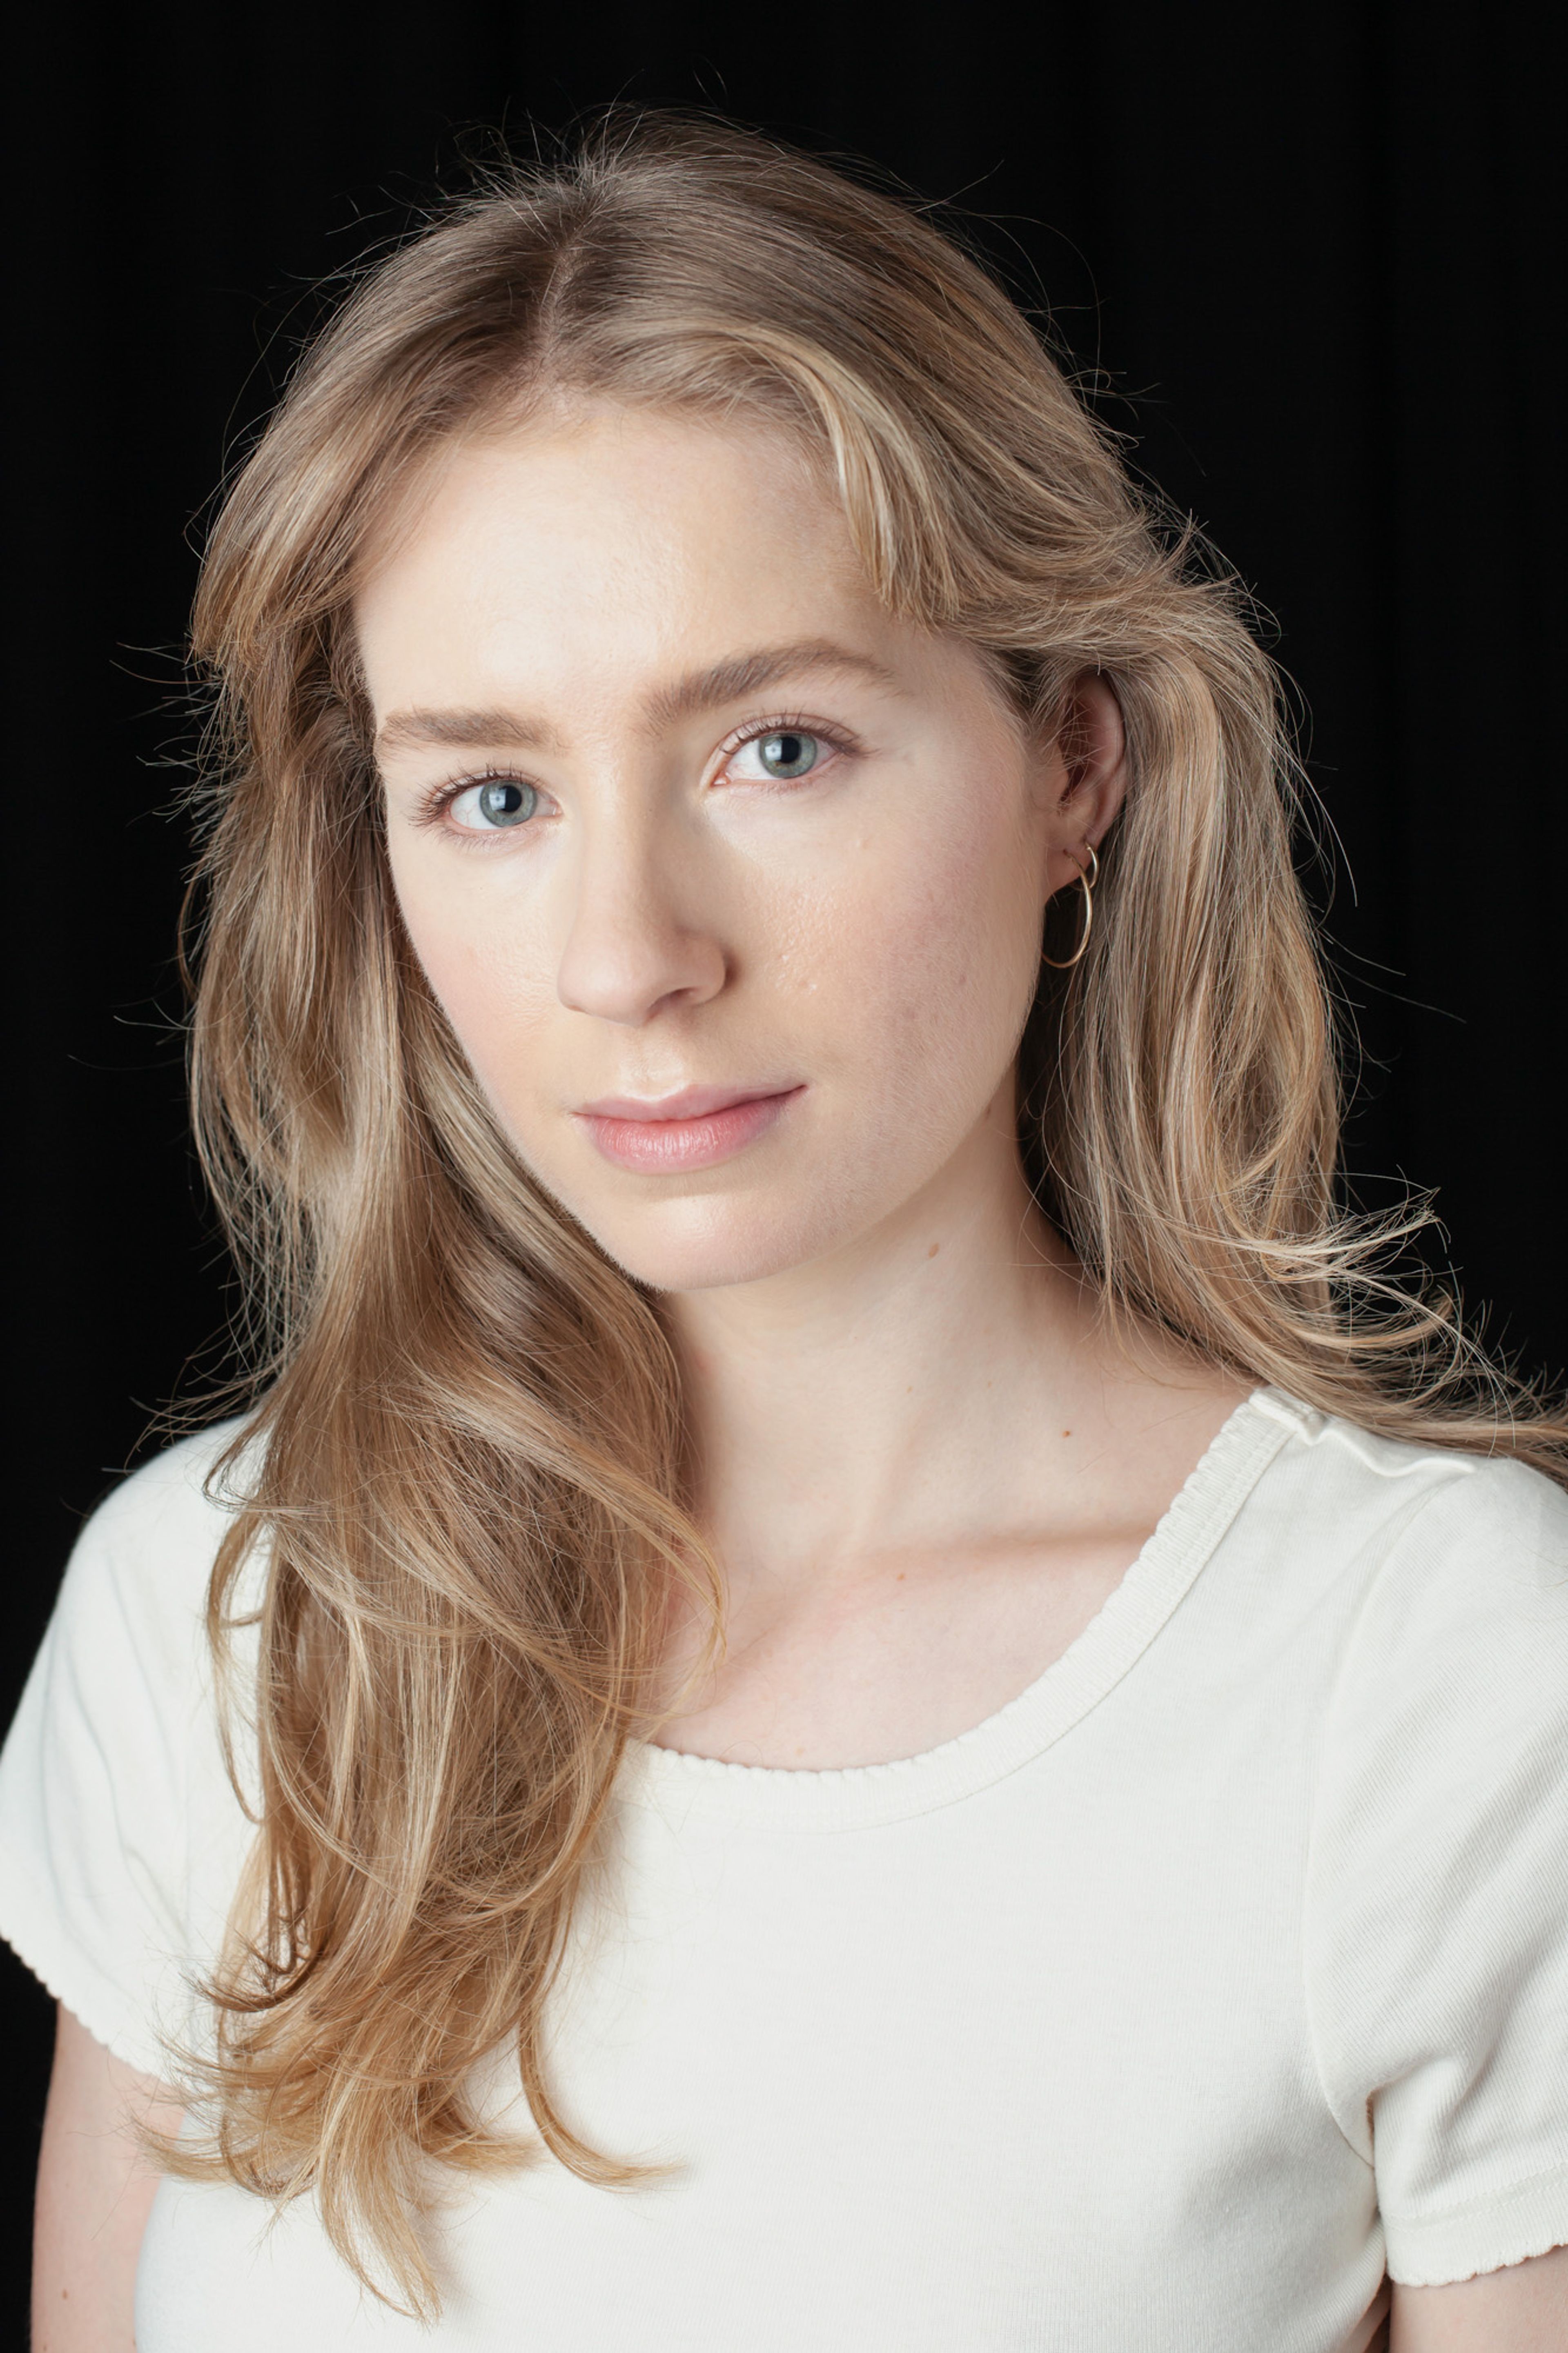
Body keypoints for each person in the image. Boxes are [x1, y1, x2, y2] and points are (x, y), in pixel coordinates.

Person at [4, 114, 1567, 2353]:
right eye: (498, 794)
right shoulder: (214, 1619)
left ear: (1075, 766)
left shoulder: (1435, 1684)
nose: (630, 952)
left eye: (780, 750)